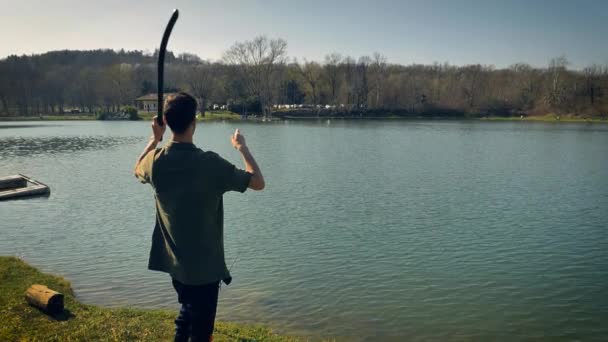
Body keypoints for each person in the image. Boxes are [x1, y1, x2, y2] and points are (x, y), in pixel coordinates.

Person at [134, 92, 265, 342]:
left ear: (165, 120)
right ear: (194, 122)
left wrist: (155, 139)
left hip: (176, 266)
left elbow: (137, 167)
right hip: (205, 271)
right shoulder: (209, 163)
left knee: (186, 314)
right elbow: (258, 182)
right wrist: (242, 148)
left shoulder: (156, 161)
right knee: (201, 332)